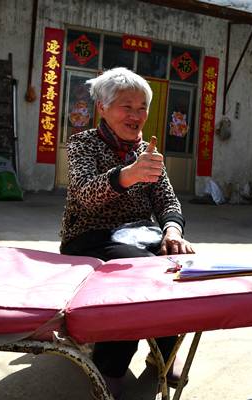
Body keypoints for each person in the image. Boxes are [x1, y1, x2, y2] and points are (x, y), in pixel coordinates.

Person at [59, 67, 194, 398]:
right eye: (126, 106)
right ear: (102, 108)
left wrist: (173, 231)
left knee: (183, 267)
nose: (136, 115)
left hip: (138, 236)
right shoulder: (83, 144)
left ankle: (164, 351)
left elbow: (167, 200)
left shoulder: (147, 152)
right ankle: (110, 366)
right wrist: (128, 175)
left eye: (142, 107)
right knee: (135, 275)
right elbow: (85, 194)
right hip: (90, 236)